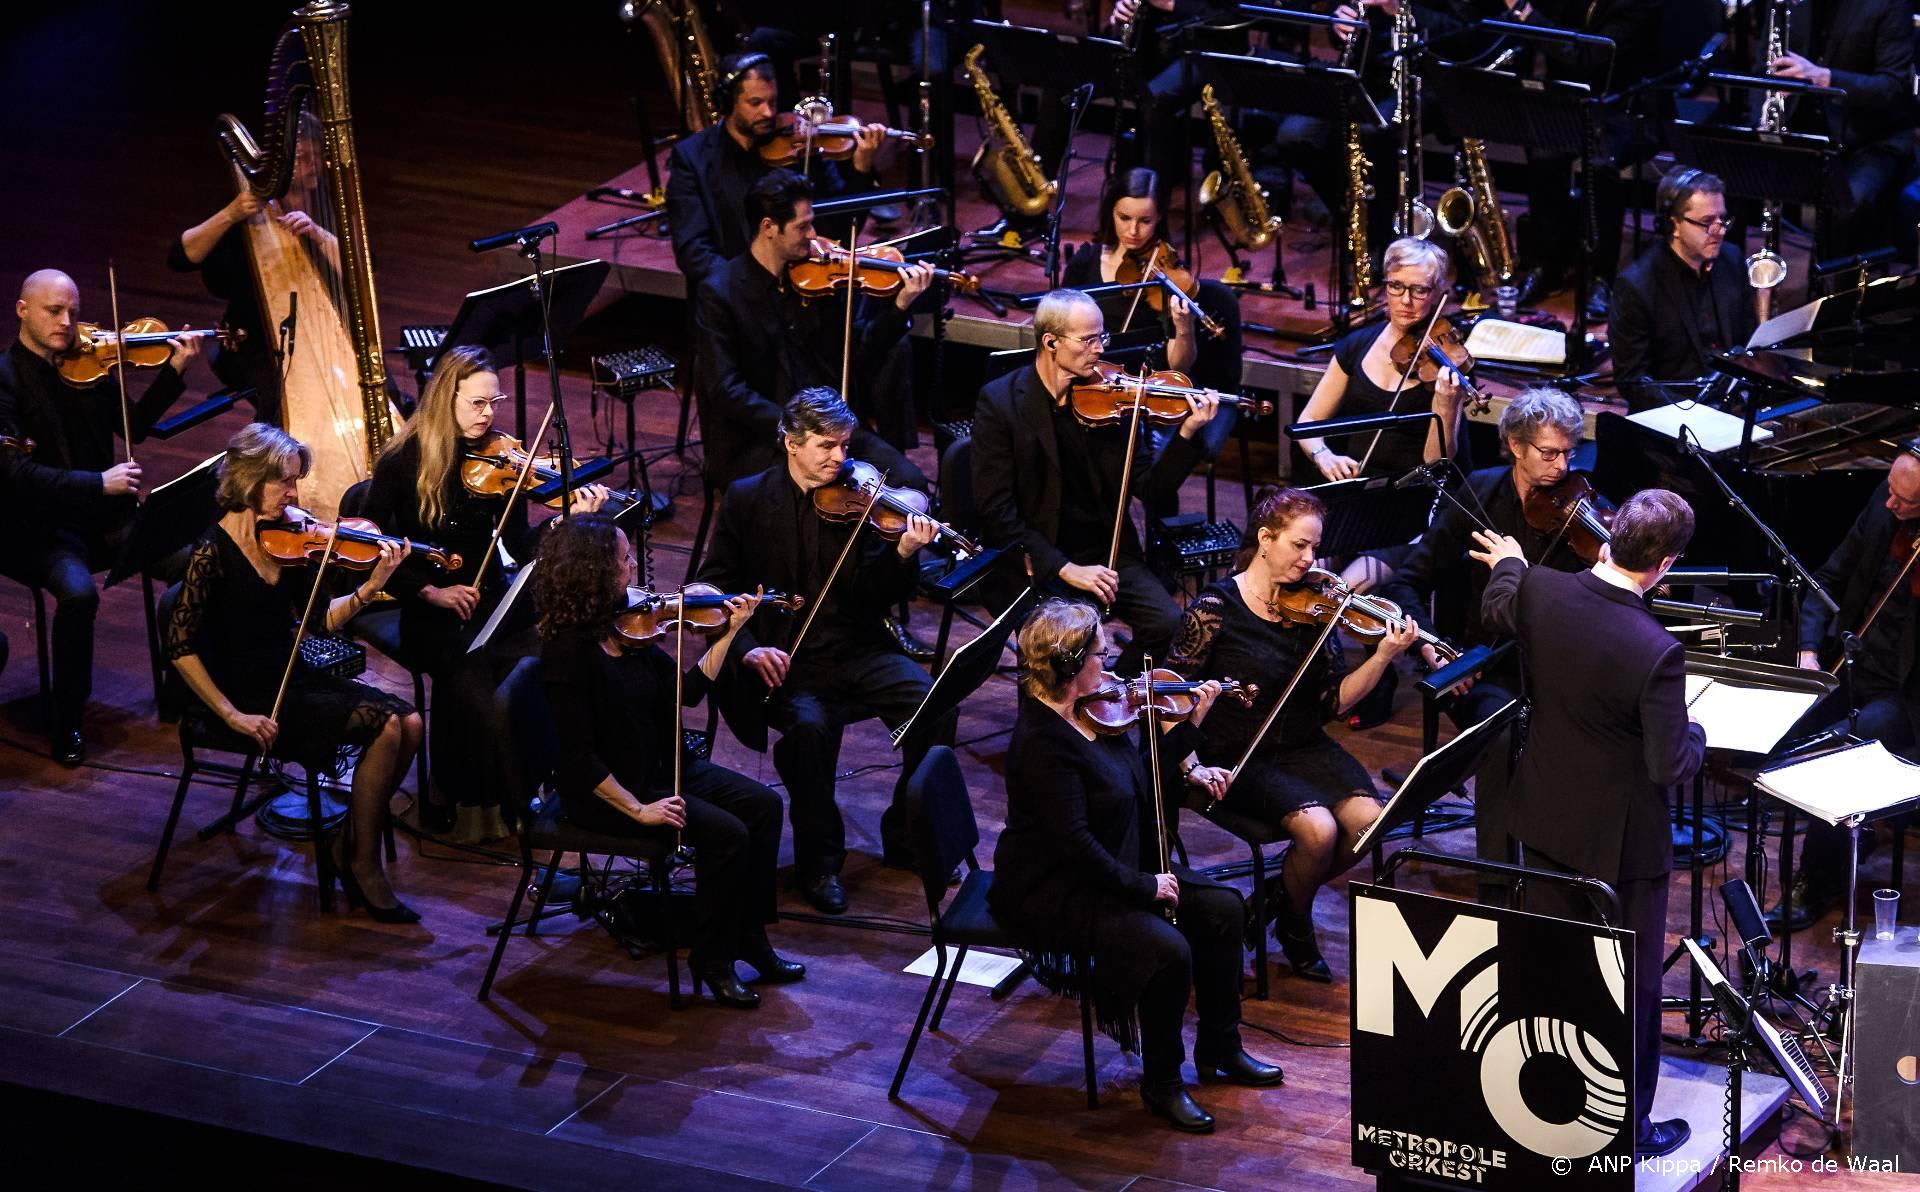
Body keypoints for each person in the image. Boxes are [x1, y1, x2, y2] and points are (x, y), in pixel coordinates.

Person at [989, 597, 1284, 1135]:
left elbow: (1141, 783)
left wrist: (1188, 745)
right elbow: (1074, 846)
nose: (1114, 667)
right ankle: (1163, 1084)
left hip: (1112, 859)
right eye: (1102, 655)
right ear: (1071, 666)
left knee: (1222, 907)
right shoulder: (1042, 745)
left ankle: (1221, 1046)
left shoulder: (1097, 714)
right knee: (1168, 950)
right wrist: (1146, 886)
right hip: (1055, 887)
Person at [1470, 488, 1704, 1160]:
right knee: (1630, 982)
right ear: (1662, 564)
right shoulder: (1657, 650)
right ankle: (1627, 1130)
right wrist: (1698, 731)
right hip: (1620, 845)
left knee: (1554, 965)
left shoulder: (1541, 591)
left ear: (1610, 540)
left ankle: (1545, 1097)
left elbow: (1499, 603)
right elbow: (1669, 764)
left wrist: (1511, 562)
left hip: (1543, 817)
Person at [696, 389, 950, 915]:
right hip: (786, 659)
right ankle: (820, 862)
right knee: (809, 731)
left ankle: (904, 836)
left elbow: (873, 596)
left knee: (934, 704)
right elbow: (714, 588)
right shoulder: (748, 497)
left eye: (845, 445)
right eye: (827, 446)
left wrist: (902, 553)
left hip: (855, 647)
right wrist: (746, 648)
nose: (841, 458)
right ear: (791, 443)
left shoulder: (860, 499)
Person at [534, 513, 801, 1008]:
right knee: (727, 835)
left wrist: (727, 635)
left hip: (664, 766)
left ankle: (750, 937)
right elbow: (577, 759)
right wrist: (638, 810)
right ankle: (712, 958)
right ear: (593, 572)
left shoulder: (628, 627)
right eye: (624, 559)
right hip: (613, 793)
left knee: (763, 807)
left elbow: (687, 693)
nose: (634, 566)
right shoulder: (567, 653)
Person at [166, 423, 424, 921]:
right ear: (248, 480)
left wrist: (375, 583)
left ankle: (346, 842)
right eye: (284, 481)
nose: (294, 493)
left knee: (411, 723)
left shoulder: (288, 541)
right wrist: (232, 715)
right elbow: (178, 647)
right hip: (244, 696)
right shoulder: (210, 554)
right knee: (387, 725)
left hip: (292, 675)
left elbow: (316, 624)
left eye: (295, 481)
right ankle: (364, 867)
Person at [1167, 487, 1418, 979]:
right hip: (1235, 751)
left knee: (1372, 822)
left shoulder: (1315, 609)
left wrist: (1385, 655)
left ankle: (1274, 898)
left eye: (1314, 548)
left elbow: (1333, 702)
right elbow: (1173, 694)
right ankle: (1296, 928)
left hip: (1302, 743)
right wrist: (1189, 766)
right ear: (1266, 539)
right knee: (1319, 830)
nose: (1311, 559)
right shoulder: (1215, 607)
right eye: (1299, 546)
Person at [364, 345, 611, 840]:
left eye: (493, 402)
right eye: (477, 403)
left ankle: (539, 793)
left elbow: (519, 546)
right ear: (443, 400)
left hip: (492, 601)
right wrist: (431, 591)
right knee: (487, 698)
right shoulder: (401, 461)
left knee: (554, 666)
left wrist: (564, 524)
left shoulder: (498, 461)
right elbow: (371, 546)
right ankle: (472, 802)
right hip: (430, 613)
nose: (489, 414)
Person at [1376, 388, 1591, 882]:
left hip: (1556, 666)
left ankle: (1563, 872)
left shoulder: (1578, 508)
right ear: (1516, 446)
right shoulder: (1476, 496)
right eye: (1549, 453)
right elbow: (1407, 580)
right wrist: (1430, 646)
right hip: (1479, 668)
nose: (1562, 466)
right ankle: (1498, 881)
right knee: (1500, 732)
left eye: (1568, 453)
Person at [0, 268, 201, 763]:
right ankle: (68, 721)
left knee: (199, 564)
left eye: (74, 312)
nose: (67, 323)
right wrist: (98, 482)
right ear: (22, 310)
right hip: (42, 530)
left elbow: (133, 426)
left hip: (106, 520)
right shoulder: (4, 379)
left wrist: (174, 372)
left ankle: (181, 689)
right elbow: (14, 474)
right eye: (54, 311)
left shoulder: (89, 367)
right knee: (78, 594)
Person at [971, 288, 1219, 676]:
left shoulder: (1114, 398)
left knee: (1169, 626)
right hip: (1034, 558)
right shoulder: (1001, 403)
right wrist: (1064, 568)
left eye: (1101, 337)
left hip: (1108, 549)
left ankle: (1108, 696)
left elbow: (1150, 488)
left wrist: (1187, 433)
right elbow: (996, 511)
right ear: (1050, 342)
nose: (1100, 349)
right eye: (1088, 340)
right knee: (1057, 654)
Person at [692, 169, 930, 491]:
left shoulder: (816, 281)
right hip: (761, 440)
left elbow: (856, 355)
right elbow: (727, 390)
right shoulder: (721, 293)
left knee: (909, 483)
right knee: (834, 494)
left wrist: (899, 307)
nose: (813, 234)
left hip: (828, 436)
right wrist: (796, 431)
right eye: (802, 226)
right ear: (768, 228)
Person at [1767, 449, 1920, 930]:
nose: (1892, 505)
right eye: (1891, 491)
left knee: (1837, 753)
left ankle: (1814, 881)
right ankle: (1849, 838)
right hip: (1851, 665)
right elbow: (1829, 578)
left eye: (1907, 502)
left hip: (1907, 695)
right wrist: (1809, 649)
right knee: (1787, 731)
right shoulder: (1884, 501)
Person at [1061, 166, 1243, 463]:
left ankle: (1157, 507)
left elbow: (1179, 365)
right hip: (1092, 386)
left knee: (1147, 462)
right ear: (1111, 213)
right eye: (1124, 218)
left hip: (1151, 396)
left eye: (1145, 221)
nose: (1133, 231)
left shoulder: (1171, 277)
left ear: (1159, 218)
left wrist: (1184, 327)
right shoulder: (1085, 264)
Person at [667, 52, 888, 294]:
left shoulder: (802, 147)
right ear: (728, 102)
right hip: (732, 297)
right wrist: (746, 289)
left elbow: (841, 230)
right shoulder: (692, 158)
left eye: (772, 102)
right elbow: (693, 251)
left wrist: (861, 167)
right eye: (755, 103)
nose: (768, 113)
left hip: (801, 292)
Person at [1768, 0, 1913, 259]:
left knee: (1846, 204)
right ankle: (1742, 289)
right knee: (1732, 180)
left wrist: (1824, 77)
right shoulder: (1788, 2)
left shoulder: (1890, 4)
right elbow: (1763, 68)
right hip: (1806, 135)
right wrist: (1763, 120)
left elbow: (1893, 88)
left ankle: (1834, 292)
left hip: (1870, 142)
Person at [1610, 168, 1757, 411]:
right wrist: (1693, 414)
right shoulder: (1637, 285)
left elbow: (1748, 341)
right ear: (1674, 225)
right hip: (1674, 417)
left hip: (1733, 404)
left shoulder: (1731, 260)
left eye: (1722, 220)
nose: (1719, 231)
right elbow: (1632, 380)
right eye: (1707, 222)